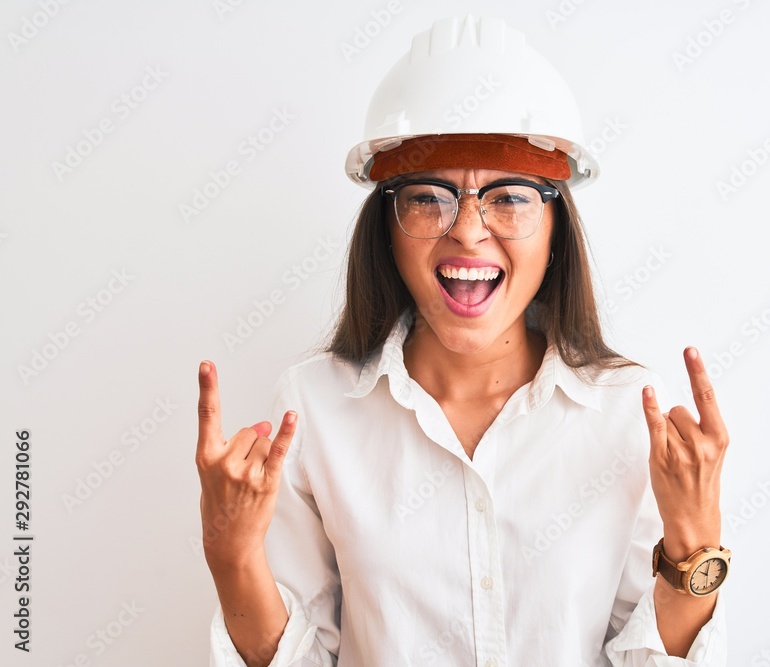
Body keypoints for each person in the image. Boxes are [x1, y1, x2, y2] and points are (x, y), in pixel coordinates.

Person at [197, 14, 731, 667]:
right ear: (386, 228)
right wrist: (231, 556)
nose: (469, 232)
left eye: (508, 197)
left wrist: (695, 539)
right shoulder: (311, 406)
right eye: (429, 197)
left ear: (556, 227)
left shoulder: (628, 412)